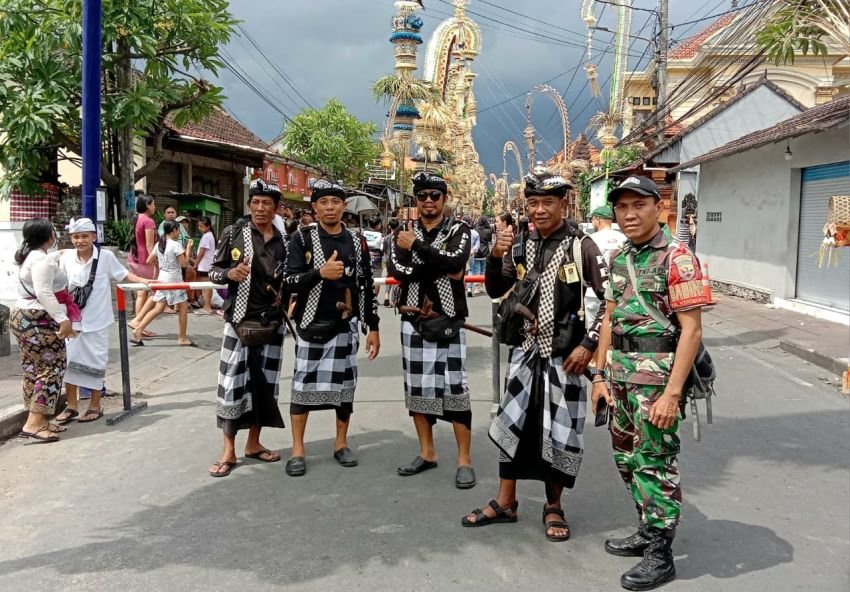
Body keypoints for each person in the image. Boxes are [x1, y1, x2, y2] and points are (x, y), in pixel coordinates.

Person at [462, 172, 608, 543]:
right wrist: (496, 255)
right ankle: (505, 501)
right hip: (525, 354)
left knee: (559, 434)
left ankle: (553, 506)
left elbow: (610, 302)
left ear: (564, 204)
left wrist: (588, 345)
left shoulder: (582, 247)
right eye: (533, 203)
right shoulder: (522, 244)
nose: (540, 210)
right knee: (512, 428)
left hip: (566, 359)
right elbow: (496, 287)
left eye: (548, 202)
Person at [592, 175, 707, 590]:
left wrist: (673, 394)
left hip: (656, 382)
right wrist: (600, 375)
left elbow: (691, 331)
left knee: (654, 462)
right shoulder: (622, 257)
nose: (629, 214)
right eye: (621, 207)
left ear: (659, 208)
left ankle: (661, 553)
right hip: (620, 376)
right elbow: (609, 318)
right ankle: (646, 528)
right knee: (625, 459)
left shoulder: (678, 258)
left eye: (638, 205)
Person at [284, 179, 381, 477]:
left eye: (335, 202)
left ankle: (341, 443)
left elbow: (364, 283)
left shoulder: (355, 240)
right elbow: (288, 281)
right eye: (323, 202)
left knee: (345, 388)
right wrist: (319, 273)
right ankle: (298, 449)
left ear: (343, 206)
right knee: (302, 388)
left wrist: (373, 326)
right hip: (311, 323)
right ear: (314, 207)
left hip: (345, 326)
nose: (330, 208)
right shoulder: (301, 239)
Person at [388, 172, 476, 489]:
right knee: (416, 390)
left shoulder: (459, 230)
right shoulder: (402, 232)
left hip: (449, 321)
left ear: (444, 198)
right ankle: (427, 453)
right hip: (413, 321)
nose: (428, 200)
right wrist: (437, 263)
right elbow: (397, 269)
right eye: (423, 195)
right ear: (416, 199)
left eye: (434, 195)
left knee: (456, 391)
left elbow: (456, 263)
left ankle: (464, 459)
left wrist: (419, 249)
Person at [205, 180, 289, 477]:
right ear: (249, 204)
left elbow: (289, 280)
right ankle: (228, 449)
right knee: (231, 386)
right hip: (238, 322)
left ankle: (253, 443)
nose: (260, 208)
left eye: (266, 203)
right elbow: (213, 272)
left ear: (275, 207)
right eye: (255, 202)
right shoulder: (234, 233)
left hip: (271, 324)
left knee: (264, 387)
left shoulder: (284, 240)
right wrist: (230, 273)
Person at [56, 218, 150, 424]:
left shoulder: (105, 257)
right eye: (75, 237)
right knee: (69, 362)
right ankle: (71, 406)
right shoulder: (66, 258)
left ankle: (95, 405)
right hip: (72, 321)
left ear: (94, 237)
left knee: (95, 362)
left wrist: (144, 281)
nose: (79, 241)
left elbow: (123, 275)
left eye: (84, 236)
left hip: (98, 320)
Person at [11, 218, 78, 442]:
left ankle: (39, 419)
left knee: (34, 369)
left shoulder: (30, 256)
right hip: (38, 319)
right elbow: (43, 292)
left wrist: (60, 254)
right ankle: (33, 424)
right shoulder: (42, 261)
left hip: (23, 317)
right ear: (50, 236)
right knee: (52, 369)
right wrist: (63, 319)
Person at [130, 220, 194, 346]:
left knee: (158, 308)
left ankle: (138, 329)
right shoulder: (175, 245)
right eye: (178, 230)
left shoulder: (159, 244)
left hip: (163, 278)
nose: (179, 233)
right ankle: (182, 338)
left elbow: (150, 260)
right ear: (174, 230)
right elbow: (184, 264)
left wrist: (160, 266)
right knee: (183, 308)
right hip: (174, 280)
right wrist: (188, 249)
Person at [586, 205, 626, 332]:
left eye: (592, 219)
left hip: (593, 293)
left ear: (597, 219)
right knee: (612, 327)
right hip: (618, 293)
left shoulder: (591, 240)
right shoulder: (624, 239)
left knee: (593, 330)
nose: (592, 223)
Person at [128, 194, 157, 329]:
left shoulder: (136, 218)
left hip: (133, 259)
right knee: (156, 293)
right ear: (147, 205)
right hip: (145, 262)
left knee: (141, 293)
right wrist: (156, 262)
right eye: (153, 204)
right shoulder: (149, 221)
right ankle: (138, 322)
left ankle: (138, 325)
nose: (154, 207)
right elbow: (150, 245)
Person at [194, 216, 217, 315]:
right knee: (207, 285)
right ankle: (207, 305)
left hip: (205, 265)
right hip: (207, 264)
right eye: (199, 226)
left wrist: (196, 264)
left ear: (208, 226)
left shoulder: (206, 236)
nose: (200, 228)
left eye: (201, 226)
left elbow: (201, 253)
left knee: (206, 286)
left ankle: (207, 306)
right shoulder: (210, 235)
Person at [471, 216, 492, 295]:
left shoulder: (474, 230)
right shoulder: (488, 231)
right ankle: (482, 286)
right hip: (485, 252)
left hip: (476, 252)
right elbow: (489, 240)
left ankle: (477, 287)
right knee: (484, 270)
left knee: (477, 270)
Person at [381, 217, 400, 307]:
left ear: (389, 227)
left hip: (388, 260)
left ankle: (386, 296)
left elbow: (384, 250)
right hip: (398, 260)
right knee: (397, 278)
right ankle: (394, 299)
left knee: (389, 277)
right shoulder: (399, 237)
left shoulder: (386, 238)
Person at [464, 216, 479, 297]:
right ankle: (469, 288)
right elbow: (477, 245)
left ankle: (462, 287)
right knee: (471, 270)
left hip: (461, 254)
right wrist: (472, 251)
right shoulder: (475, 233)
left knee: (461, 271)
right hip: (470, 254)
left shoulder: (459, 232)